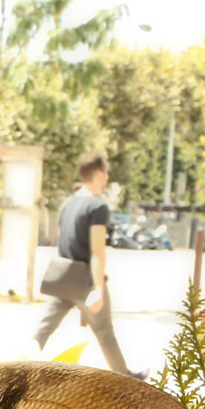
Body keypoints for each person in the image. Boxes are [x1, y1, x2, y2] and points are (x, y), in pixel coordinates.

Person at [32, 152, 141, 378]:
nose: (108, 177)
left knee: (44, 328)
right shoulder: (97, 207)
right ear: (100, 173)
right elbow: (97, 252)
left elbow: (62, 240)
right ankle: (126, 378)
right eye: (107, 173)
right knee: (104, 331)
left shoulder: (68, 204)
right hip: (86, 282)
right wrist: (99, 289)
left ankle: (17, 365)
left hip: (63, 279)